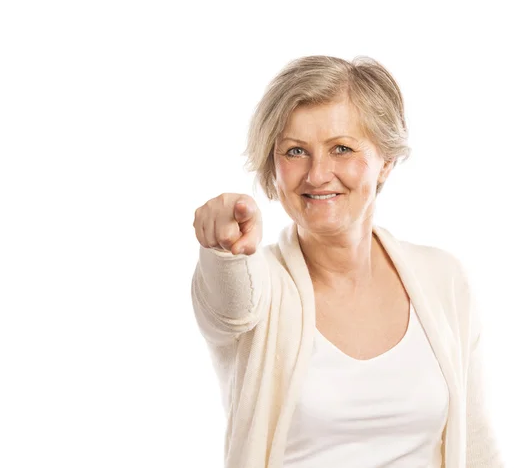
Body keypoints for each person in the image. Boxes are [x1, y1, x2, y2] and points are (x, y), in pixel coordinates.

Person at [191, 55, 503, 468]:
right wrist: (223, 247)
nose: (318, 175)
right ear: (273, 166)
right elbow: (229, 305)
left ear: (385, 161)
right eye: (295, 151)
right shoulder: (260, 284)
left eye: (342, 148)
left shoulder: (442, 279)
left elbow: (477, 444)